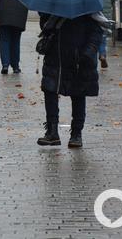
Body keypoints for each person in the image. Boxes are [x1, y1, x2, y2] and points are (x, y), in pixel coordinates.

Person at [37, 12, 104, 148]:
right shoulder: (53, 4)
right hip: (55, 56)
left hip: (78, 58)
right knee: (50, 90)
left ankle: (76, 134)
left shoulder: (87, 7)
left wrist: (88, 52)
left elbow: (96, 33)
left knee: (78, 93)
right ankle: (52, 131)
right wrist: (45, 14)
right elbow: (45, 27)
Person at [98, 0, 118, 68]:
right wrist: (112, 1)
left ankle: (92, 61)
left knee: (91, 35)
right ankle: (102, 54)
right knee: (103, 33)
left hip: (91, 7)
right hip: (105, 8)